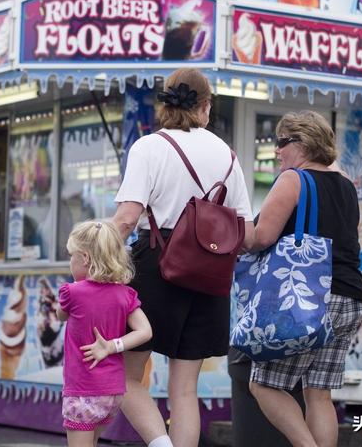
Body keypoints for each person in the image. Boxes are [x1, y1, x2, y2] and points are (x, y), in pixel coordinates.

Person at [112, 68, 254, 447]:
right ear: (206, 107)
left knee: (124, 375)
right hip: (210, 273)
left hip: (157, 263)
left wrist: (95, 255)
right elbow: (246, 230)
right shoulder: (227, 154)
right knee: (185, 389)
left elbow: (127, 218)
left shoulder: (149, 146)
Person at [247, 111, 362, 447]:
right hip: (351, 296)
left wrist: (237, 231)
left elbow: (261, 237)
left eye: (281, 143)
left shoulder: (293, 180)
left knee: (264, 385)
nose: (277, 151)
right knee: (318, 393)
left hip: (310, 297)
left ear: (301, 143)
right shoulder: (346, 185)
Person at [56, 220, 152, 447]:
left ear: (86, 259)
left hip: (82, 389)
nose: (70, 262)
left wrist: (75, 285)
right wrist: (112, 346)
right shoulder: (125, 294)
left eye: (72, 256)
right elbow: (145, 331)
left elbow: (60, 315)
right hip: (112, 392)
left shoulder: (71, 292)